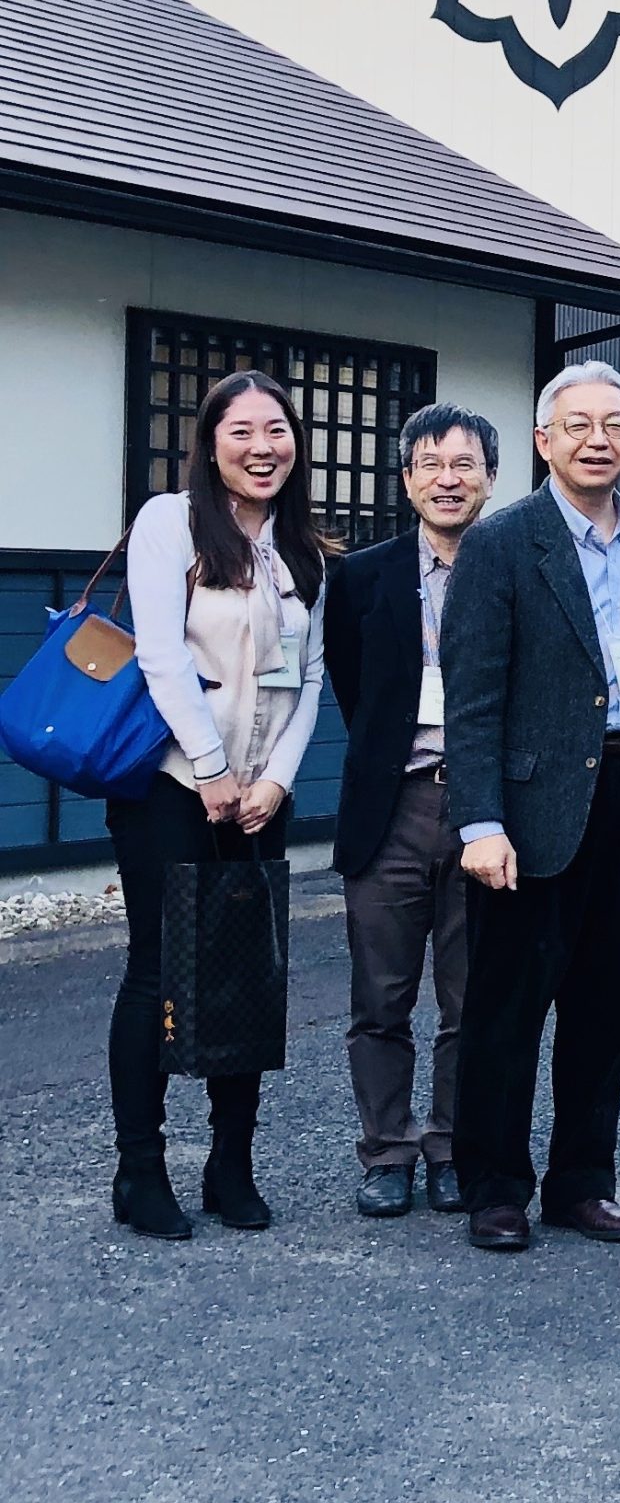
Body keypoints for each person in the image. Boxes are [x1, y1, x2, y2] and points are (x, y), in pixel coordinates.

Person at [443, 361, 620, 1253]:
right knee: (508, 1007)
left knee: (614, 1003)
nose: (598, 440)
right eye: (578, 424)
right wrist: (480, 822)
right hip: (531, 805)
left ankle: (583, 1182)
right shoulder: (502, 543)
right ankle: (495, 1187)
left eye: (614, 424)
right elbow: (472, 696)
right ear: (544, 440)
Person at [106, 370, 332, 1240]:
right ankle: (140, 1170)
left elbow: (306, 679)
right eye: (241, 431)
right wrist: (209, 767)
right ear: (209, 443)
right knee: (157, 971)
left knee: (247, 973)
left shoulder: (302, 549)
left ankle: (230, 1165)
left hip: (259, 797)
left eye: (277, 431)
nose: (262, 448)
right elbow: (162, 655)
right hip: (172, 788)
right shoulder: (170, 522)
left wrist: (275, 780)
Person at [321, 402, 498, 1220]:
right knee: (380, 997)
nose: (447, 480)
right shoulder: (362, 576)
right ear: (406, 479)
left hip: (486, 810)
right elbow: (353, 686)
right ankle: (386, 1151)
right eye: (430, 464)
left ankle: (454, 1146)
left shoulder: (510, 564)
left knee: (473, 996)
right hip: (392, 804)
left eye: (464, 465)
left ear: (490, 478)